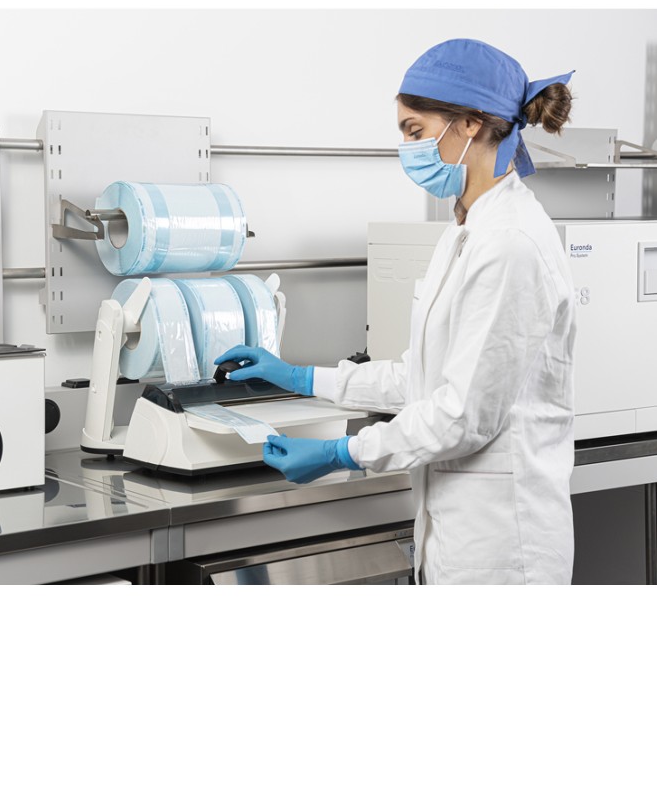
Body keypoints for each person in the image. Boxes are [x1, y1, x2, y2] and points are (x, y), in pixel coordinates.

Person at [216, 38, 576, 585]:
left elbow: (461, 417)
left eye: (414, 131)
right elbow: (423, 377)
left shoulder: (511, 244)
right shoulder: (466, 230)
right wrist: (301, 377)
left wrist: (342, 452)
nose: (406, 148)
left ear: (470, 123)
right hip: (457, 536)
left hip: (504, 547)